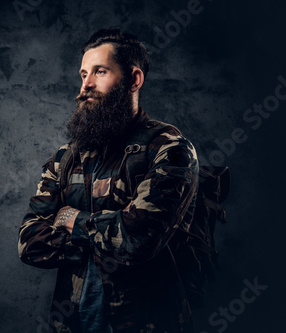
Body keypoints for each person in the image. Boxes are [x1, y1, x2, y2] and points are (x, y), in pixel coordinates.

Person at [18, 28, 199, 333]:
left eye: (100, 72)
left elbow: (138, 241)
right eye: (83, 74)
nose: (85, 85)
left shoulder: (169, 148)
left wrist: (70, 220)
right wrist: (104, 235)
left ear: (133, 79)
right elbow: (28, 243)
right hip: (72, 323)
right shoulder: (66, 157)